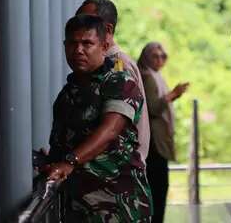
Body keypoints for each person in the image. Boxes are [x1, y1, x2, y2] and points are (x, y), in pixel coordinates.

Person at [45, 14, 151, 222]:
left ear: (104, 46)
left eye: (87, 43)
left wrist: (69, 161)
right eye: (73, 44)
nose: (79, 50)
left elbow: (110, 130)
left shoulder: (119, 81)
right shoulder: (69, 92)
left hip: (117, 204)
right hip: (79, 205)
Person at [76, 0, 151, 166]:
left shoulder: (118, 65)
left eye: (87, 22)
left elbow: (111, 130)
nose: (79, 26)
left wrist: (70, 160)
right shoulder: (98, 65)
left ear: (108, 29)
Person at [138, 42, 189, 223]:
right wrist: (172, 94)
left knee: (159, 185)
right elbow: (152, 107)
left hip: (157, 140)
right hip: (153, 143)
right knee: (158, 186)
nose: (160, 60)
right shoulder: (147, 77)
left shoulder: (155, 76)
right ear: (146, 58)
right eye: (155, 56)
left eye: (163, 56)